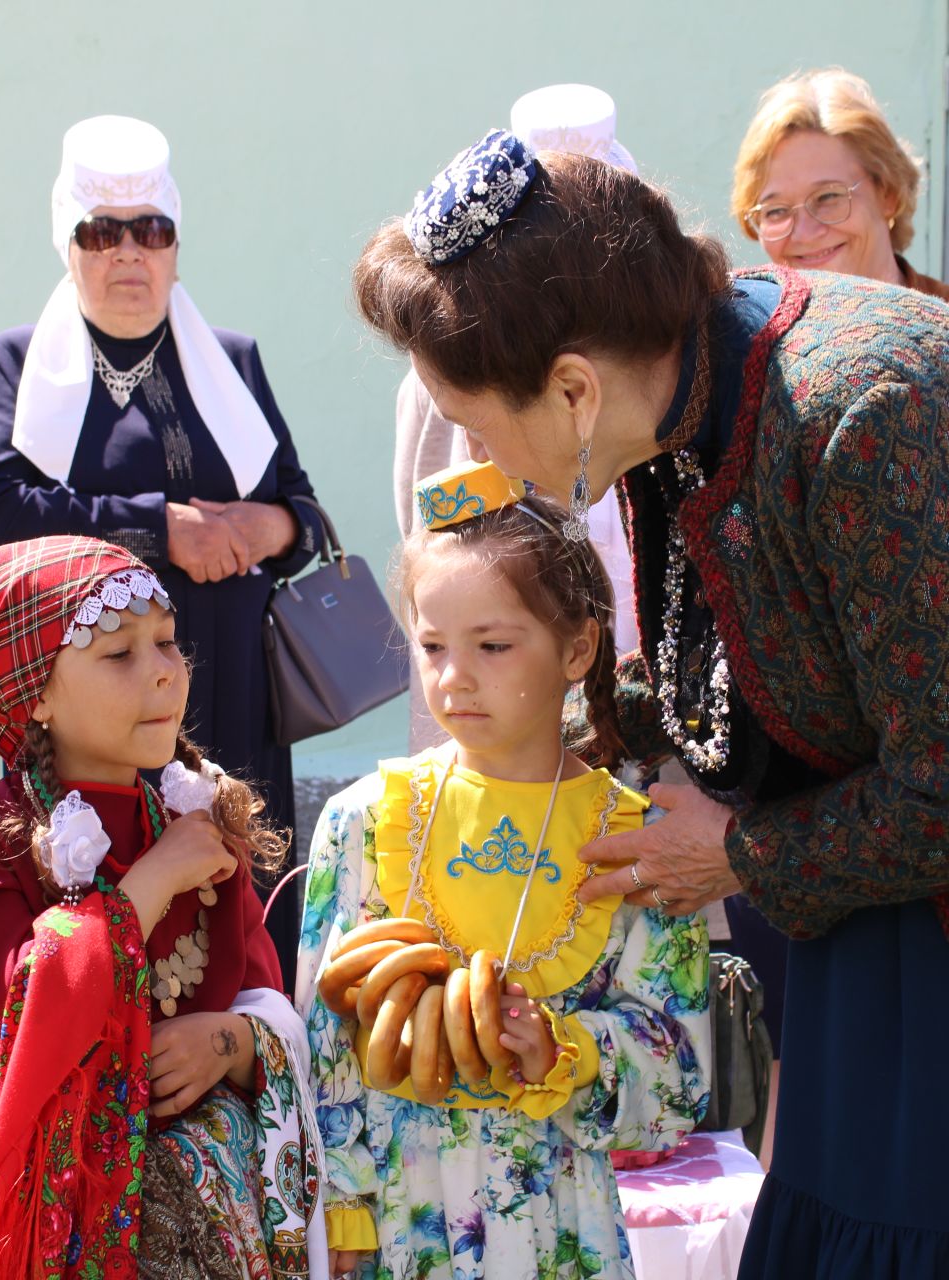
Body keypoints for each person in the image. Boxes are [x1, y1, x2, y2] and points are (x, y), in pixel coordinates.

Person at [351, 132, 949, 1279]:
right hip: (909, 883)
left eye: (472, 417)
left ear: (573, 387)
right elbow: (751, 663)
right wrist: (541, 736)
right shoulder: (680, 401)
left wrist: (739, 856)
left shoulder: (869, 406)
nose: (470, 451)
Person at [296, 461, 710, 1280]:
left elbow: (679, 1077)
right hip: (393, 1232)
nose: (454, 677)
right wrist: (339, 1213)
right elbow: (322, 1046)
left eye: (491, 645)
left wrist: (563, 1050)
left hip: (561, 1236)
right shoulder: (366, 822)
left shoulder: (638, 841)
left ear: (577, 647)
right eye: (433, 646)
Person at [0, 535, 326, 1279]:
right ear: (33, 694)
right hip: (49, 1225)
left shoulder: (197, 823)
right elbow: (24, 1022)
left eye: (166, 643)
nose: (162, 672)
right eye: (119, 655)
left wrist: (228, 1041)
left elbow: (266, 1005)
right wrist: (152, 883)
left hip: (220, 1224)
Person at [0, 115, 327, 979]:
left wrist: (260, 528)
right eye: (102, 233)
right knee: (97, 874)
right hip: (88, 687)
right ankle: (88, 1011)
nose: (129, 253)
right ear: (70, 243)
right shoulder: (17, 363)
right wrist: (164, 528)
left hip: (229, 676)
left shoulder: (229, 359)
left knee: (237, 867)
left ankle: (252, 1035)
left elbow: (302, 510)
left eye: (150, 231)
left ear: (174, 243)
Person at [393, 84, 641, 750]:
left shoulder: (653, 370)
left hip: (648, 727)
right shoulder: (442, 376)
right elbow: (426, 551)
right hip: (494, 730)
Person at [733, 67, 949, 390]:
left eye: (828, 197)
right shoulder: (739, 353)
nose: (804, 232)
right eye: (776, 211)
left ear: (887, 193)